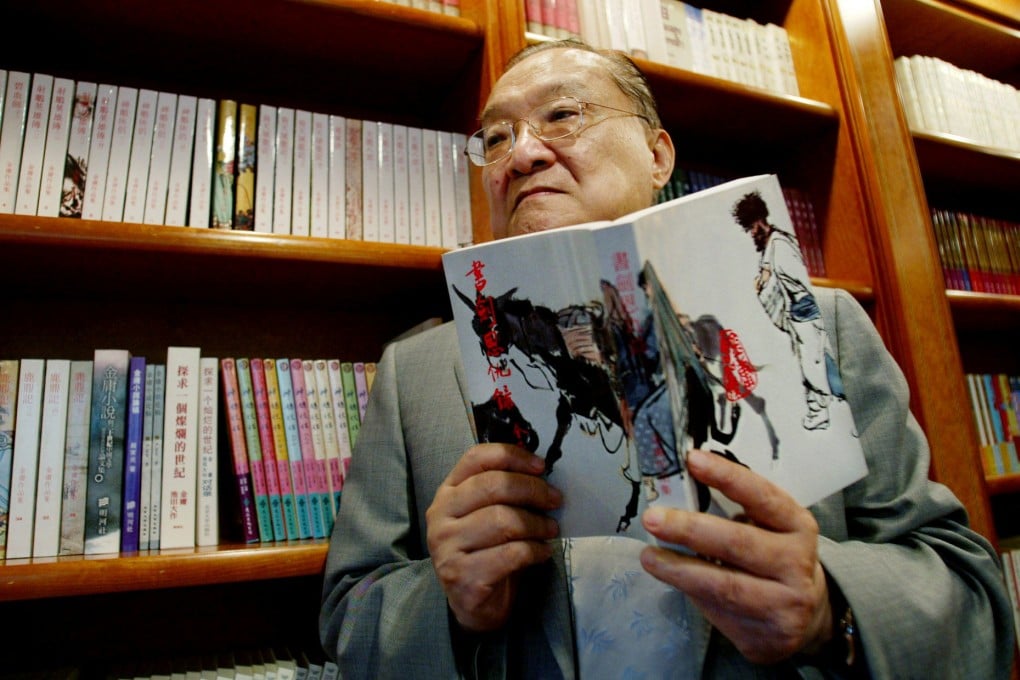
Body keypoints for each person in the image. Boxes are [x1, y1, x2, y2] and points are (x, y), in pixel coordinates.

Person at [319, 39, 1013, 678]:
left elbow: (972, 598)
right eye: (496, 137)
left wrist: (831, 609)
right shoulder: (415, 374)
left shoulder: (819, 325)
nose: (522, 153)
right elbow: (351, 614)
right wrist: (452, 606)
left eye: (562, 115)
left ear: (659, 154)